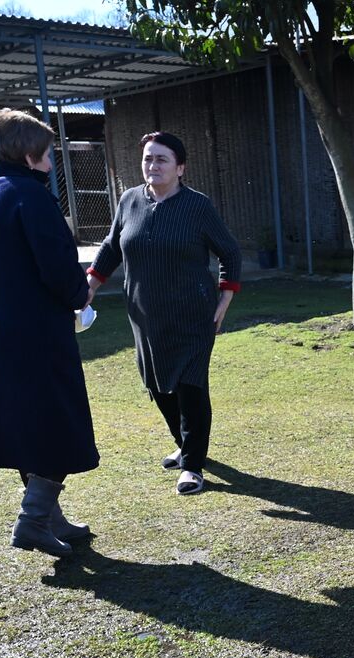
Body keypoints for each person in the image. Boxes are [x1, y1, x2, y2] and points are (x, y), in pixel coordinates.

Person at [0, 108, 98, 558]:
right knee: (57, 422)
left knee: (27, 423)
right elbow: (58, 269)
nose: (50, 162)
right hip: (33, 332)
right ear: (27, 155)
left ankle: (49, 515)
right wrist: (80, 294)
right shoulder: (29, 194)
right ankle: (33, 519)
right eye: (46, 154)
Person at [86, 132, 241, 496]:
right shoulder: (129, 201)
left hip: (193, 314)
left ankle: (193, 467)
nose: (152, 165)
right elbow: (111, 247)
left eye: (161, 159)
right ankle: (186, 444)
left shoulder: (197, 207)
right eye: (148, 159)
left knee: (189, 385)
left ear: (180, 168)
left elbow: (230, 253)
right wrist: (89, 285)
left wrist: (224, 300)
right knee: (157, 383)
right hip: (144, 314)